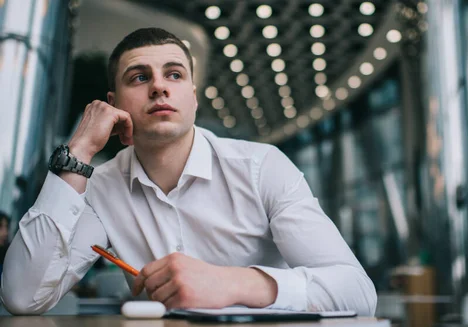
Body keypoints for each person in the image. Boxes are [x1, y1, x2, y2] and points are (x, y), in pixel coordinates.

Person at [0, 28, 376, 315]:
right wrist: (78, 151)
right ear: (112, 104)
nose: (160, 86)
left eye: (175, 75)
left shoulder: (263, 168)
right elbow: (22, 296)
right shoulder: (102, 187)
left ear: (193, 97)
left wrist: (233, 283)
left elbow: (358, 294)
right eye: (139, 77)